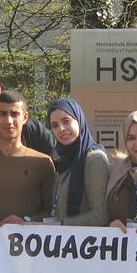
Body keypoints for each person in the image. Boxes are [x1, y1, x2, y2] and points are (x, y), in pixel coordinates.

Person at [0, 90, 57, 226]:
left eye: (15, 114)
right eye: (3, 114)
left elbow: (53, 214)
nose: (9, 120)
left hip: (30, 245)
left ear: (25, 117)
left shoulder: (43, 163)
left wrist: (26, 221)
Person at [46, 97, 110, 227]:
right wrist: (27, 221)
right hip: (64, 242)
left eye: (66, 121)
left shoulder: (94, 158)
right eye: (55, 125)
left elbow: (100, 216)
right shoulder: (62, 162)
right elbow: (57, 214)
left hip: (87, 244)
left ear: (79, 120)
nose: (61, 129)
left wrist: (61, 225)